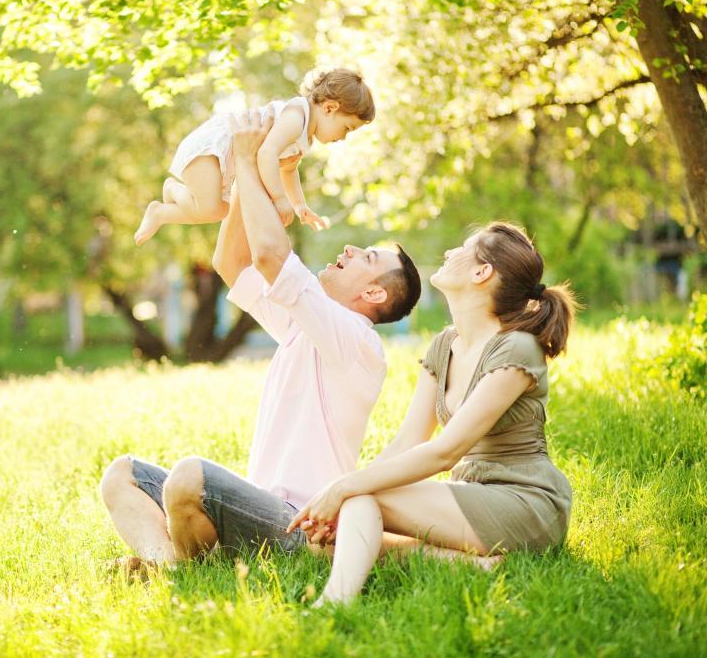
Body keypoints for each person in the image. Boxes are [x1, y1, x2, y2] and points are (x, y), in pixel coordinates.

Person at [100, 107, 420, 572]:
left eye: (366, 256)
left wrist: (251, 161)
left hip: (297, 526)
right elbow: (233, 263)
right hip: (253, 509)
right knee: (122, 475)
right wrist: (239, 177)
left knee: (190, 477)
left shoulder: (355, 341)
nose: (349, 250)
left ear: (374, 293)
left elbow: (269, 254)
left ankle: (182, 570)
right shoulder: (304, 325)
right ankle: (166, 568)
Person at [288, 222, 577, 606]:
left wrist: (345, 487)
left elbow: (445, 452)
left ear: (482, 272)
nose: (448, 254)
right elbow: (409, 440)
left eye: (462, 248)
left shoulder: (517, 349)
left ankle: (334, 605)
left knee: (360, 504)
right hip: (470, 495)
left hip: (524, 502)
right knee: (335, 538)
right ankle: (470, 565)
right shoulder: (444, 345)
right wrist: (349, 489)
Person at [133, 68, 375, 244]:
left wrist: (299, 204)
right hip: (215, 147)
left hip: (226, 159)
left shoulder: (305, 136)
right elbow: (266, 154)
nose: (343, 138)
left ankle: (166, 207)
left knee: (218, 210)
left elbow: (288, 169)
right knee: (209, 209)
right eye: (347, 128)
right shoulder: (296, 116)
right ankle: (169, 197)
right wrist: (279, 199)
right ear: (330, 108)